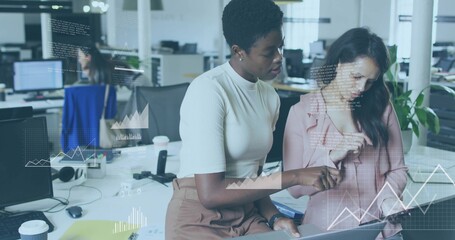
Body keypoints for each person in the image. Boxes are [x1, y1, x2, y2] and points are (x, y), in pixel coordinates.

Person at [165, 0, 341, 239]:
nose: (279, 57)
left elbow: (254, 181)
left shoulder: (269, 96)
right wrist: (295, 176)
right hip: (200, 216)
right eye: (269, 52)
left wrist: (274, 216)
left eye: (281, 47)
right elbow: (210, 194)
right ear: (239, 51)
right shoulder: (209, 90)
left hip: (246, 214)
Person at [283, 27, 408, 240]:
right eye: (356, 76)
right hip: (326, 230)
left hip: (380, 230)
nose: (361, 87)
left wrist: (387, 199)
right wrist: (332, 156)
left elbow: (398, 168)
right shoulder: (301, 113)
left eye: (370, 81)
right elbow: (294, 188)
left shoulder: (381, 106)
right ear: (338, 63)